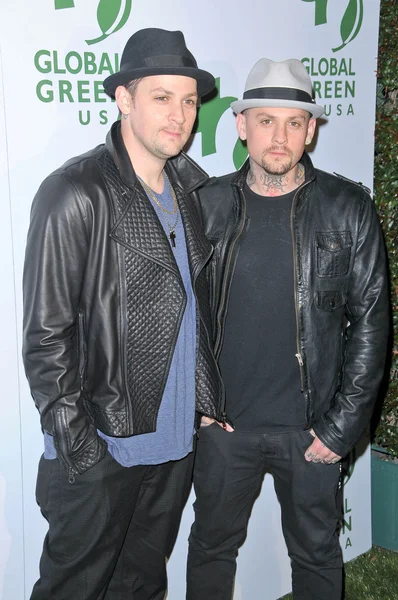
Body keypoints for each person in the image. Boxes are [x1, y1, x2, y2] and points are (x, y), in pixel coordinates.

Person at [23, 27, 225, 600]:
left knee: (141, 586)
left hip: (171, 443)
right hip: (104, 445)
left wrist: (202, 399)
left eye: (188, 100)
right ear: (124, 99)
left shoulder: (189, 191)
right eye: (162, 97)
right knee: (74, 590)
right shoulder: (75, 191)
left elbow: (191, 305)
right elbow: (45, 335)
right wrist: (82, 448)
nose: (179, 114)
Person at [186, 58, 389, 599]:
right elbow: (184, 315)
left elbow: (372, 324)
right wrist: (199, 402)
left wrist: (341, 427)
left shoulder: (348, 208)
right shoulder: (205, 206)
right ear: (241, 125)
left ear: (311, 130)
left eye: (294, 122)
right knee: (210, 549)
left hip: (312, 431)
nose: (279, 136)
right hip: (225, 428)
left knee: (318, 558)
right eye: (266, 120)